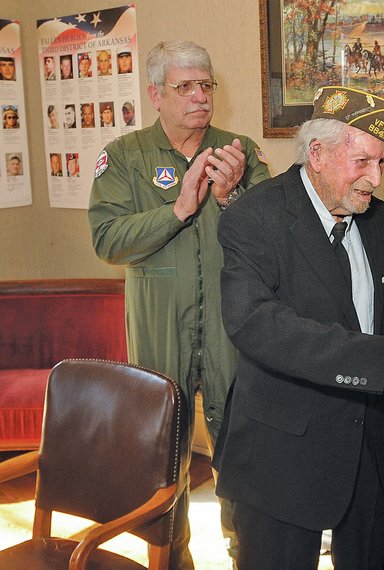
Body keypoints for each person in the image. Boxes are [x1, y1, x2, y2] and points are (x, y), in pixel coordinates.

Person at [212, 86, 384, 570]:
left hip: (364, 447)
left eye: (382, 163)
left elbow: (381, 325)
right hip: (282, 454)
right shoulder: (255, 217)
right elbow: (255, 323)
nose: (376, 178)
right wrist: (381, 359)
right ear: (318, 154)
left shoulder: (375, 218)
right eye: (363, 161)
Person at [88, 40, 271, 570]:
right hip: (157, 325)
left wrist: (232, 197)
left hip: (228, 325)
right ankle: (172, 559)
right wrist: (179, 209)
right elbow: (107, 240)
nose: (199, 96)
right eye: (184, 86)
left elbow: (278, 241)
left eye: (206, 85)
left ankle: (248, 558)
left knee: (238, 450)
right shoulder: (124, 157)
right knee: (160, 455)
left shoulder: (240, 152)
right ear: (155, 95)